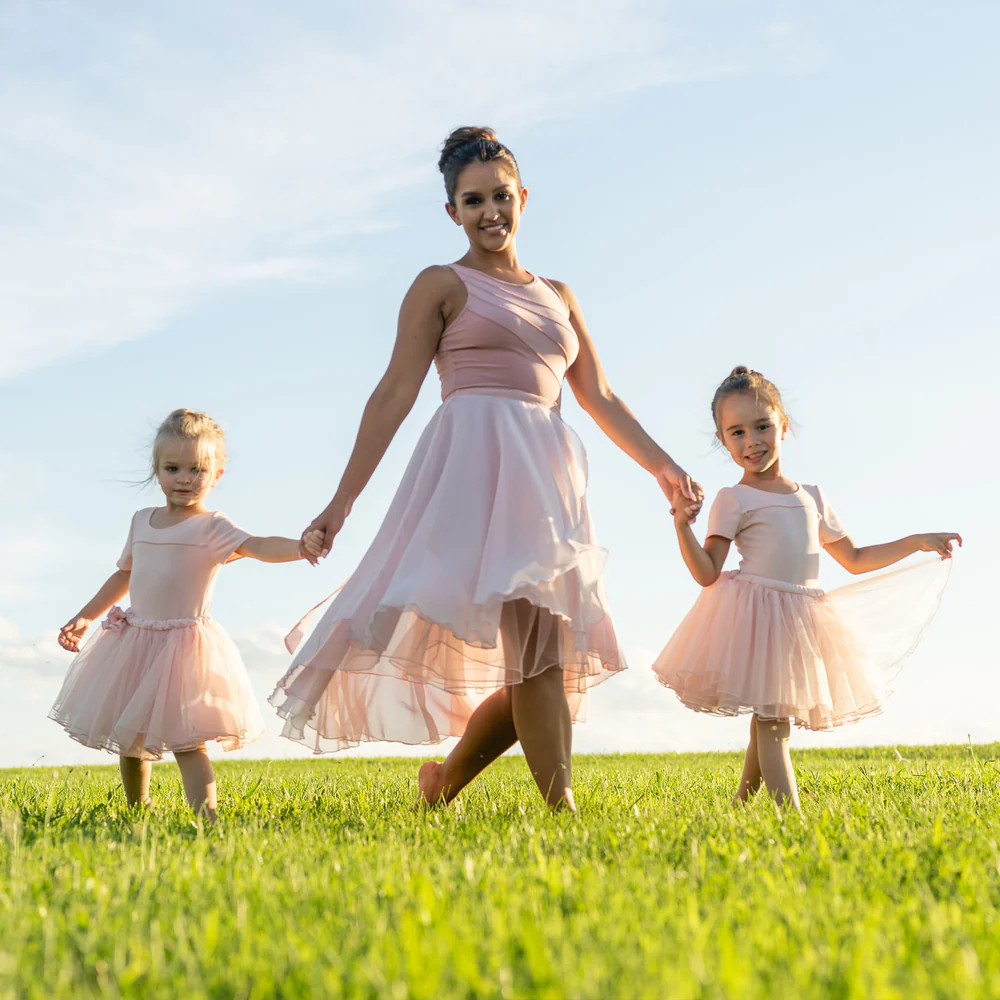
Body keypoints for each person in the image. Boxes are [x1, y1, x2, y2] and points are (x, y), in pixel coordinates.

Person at [270, 126, 700, 810]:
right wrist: (341, 502)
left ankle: (442, 786)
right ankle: (561, 811)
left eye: (501, 196)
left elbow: (599, 396)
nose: (490, 212)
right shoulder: (441, 285)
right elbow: (393, 393)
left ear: (524, 197)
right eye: (473, 202)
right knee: (540, 654)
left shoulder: (559, 293)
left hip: (547, 482)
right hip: (472, 476)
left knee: (544, 659)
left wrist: (664, 467)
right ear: (452, 213)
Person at [653, 366, 960, 809]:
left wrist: (915, 542)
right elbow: (706, 572)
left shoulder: (811, 496)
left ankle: (741, 805)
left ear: (783, 425)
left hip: (801, 620)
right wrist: (682, 526)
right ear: (723, 441)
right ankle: (790, 818)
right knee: (774, 721)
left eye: (762, 426)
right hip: (755, 618)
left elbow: (854, 559)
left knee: (770, 717)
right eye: (737, 432)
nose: (751, 441)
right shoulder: (733, 499)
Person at [50, 408, 319, 820]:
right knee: (130, 737)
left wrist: (300, 547)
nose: (184, 479)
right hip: (134, 641)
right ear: (156, 470)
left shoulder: (212, 527)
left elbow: (258, 545)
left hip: (184, 646)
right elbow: (124, 574)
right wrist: (86, 616)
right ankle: (137, 809)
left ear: (217, 474)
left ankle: (206, 817)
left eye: (197, 469)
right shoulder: (142, 522)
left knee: (188, 742)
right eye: (173, 468)